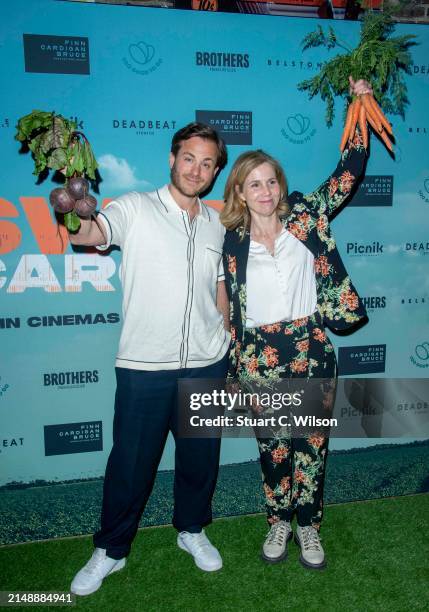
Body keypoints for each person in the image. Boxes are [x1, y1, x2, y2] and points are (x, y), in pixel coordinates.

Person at [68, 123, 230, 596]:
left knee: (201, 459)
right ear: (171, 158)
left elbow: (219, 286)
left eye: (207, 163)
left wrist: (227, 332)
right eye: (189, 158)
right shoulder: (135, 207)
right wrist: (73, 200)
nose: (196, 169)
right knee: (131, 464)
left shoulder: (218, 223)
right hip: (144, 365)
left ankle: (192, 530)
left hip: (207, 361)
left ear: (215, 170)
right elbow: (87, 236)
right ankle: (111, 550)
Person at [220, 78, 371, 570]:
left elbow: (348, 173)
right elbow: (228, 303)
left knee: (310, 447)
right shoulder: (229, 243)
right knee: (273, 449)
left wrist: (361, 104)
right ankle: (278, 521)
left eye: (271, 181)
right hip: (260, 354)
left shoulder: (307, 218)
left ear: (281, 185)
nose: (265, 191)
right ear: (240, 192)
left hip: (309, 346)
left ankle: (308, 526)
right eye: (254, 183)